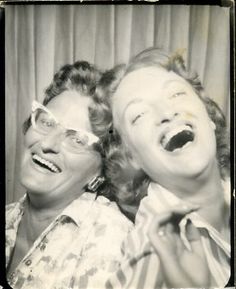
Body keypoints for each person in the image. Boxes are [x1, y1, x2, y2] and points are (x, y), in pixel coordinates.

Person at [100, 47, 231, 288]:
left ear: (209, 116)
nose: (165, 113)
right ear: (132, 157)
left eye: (176, 94)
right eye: (139, 115)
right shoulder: (152, 252)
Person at [5, 61, 133, 289]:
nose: (47, 143)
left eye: (77, 139)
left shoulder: (111, 242)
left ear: (102, 170)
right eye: (46, 122)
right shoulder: (8, 217)